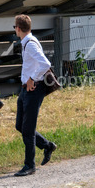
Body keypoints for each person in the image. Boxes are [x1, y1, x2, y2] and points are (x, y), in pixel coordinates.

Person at [12, 14, 57, 177]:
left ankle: (29, 165)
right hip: (26, 89)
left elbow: (45, 63)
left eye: (14, 27)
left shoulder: (30, 44)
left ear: (18, 28)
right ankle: (47, 146)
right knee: (20, 126)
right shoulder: (29, 41)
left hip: (33, 89)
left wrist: (31, 79)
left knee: (28, 130)